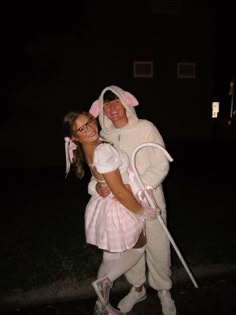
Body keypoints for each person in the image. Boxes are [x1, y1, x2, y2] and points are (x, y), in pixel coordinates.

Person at [89, 86, 176, 315]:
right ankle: (138, 289)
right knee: (131, 249)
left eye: (115, 102)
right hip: (122, 208)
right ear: (102, 111)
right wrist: (97, 187)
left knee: (158, 246)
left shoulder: (146, 128)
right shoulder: (104, 139)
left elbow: (161, 164)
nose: (112, 108)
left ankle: (163, 290)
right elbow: (97, 174)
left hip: (150, 199)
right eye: (106, 105)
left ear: (126, 103)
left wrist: (138, 187)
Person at [63, 111, 159, 315]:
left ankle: (102, 306)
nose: (89, 128)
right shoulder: (102, 150)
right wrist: (142, 211)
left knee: (109, 257)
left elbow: (104, 178)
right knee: (139, 246)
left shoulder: (90, 146)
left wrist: (100, 184)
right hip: (118, 206)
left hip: (105, 205)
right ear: (75, 137)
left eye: (89, 121)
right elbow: (120, 192)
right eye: (82, 128)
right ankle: (106, 281)